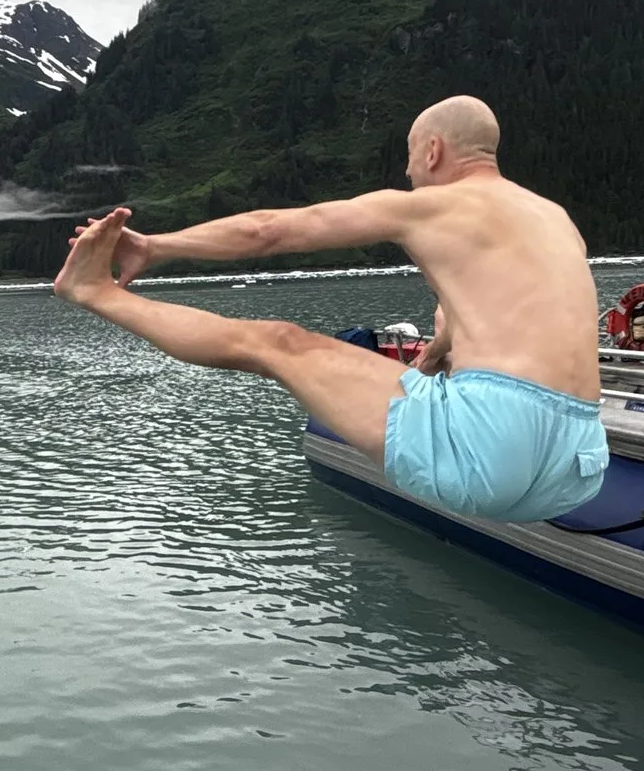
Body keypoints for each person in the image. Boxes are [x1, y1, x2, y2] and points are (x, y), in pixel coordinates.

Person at [51, 95, 607, 524]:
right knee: (432, 361)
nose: (408, 172)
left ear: (433, 150)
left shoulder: (432, 206)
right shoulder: (555, 219)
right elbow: (509, 319)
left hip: (494, 445)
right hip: (581, 460)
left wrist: (156, 246)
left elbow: (266, 232)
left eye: (410, 155)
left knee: (275, 342)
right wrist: (437, 353)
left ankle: (95, 291)